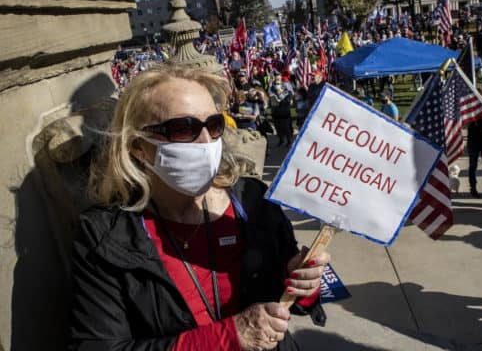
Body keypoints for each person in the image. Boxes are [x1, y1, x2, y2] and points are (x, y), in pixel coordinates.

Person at [69, 64, 329, 350]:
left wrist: (302, 287)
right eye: (183, 129)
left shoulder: (253, 201)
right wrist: (226, 338)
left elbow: (289, 300)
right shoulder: (105, 236)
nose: (207, 143)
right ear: (138, 147)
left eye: (214, 125)